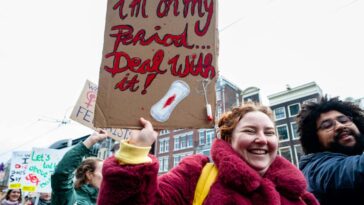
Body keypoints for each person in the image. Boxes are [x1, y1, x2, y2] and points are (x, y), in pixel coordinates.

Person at [97, 103, 318, 205]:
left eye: (269, 133)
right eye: (250, 131)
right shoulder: (194, 175)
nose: (262, 139)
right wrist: (135, 153)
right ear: (228, 139)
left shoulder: (299, 196)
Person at [296, 96, 364, 205]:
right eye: (327, 126)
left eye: (344, 120)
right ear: (314, 139)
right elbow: (352, 172)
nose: (340, 126)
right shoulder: (316, 168)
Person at [51, 130, 108, 205]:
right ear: (89, 174)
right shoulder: (70, 198)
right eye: (104, 172)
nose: (109, 176)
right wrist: (90, 141)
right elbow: (61, 175)